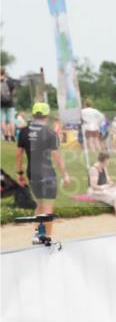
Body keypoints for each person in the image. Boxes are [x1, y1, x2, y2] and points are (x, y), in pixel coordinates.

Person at [15, 102, 72, 238]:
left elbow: (19, 155)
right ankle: (46, 238)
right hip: (47, 174)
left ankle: (38, 234)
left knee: (40, 205)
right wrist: (65, 174)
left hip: (32, 173)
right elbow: (57, 157)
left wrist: (20, 174)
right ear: (46, 116)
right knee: (47, 208)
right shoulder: (50, 133)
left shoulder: (23, 131)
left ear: (34, 115)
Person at [1, 67, 17, 142]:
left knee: (2, 121)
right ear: (4, 72)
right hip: (10, 103)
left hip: (1, 104)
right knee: (11, 120)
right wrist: (11, 96)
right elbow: (14, 91)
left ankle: (6, 136)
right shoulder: (9, 80)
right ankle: (13, 136)